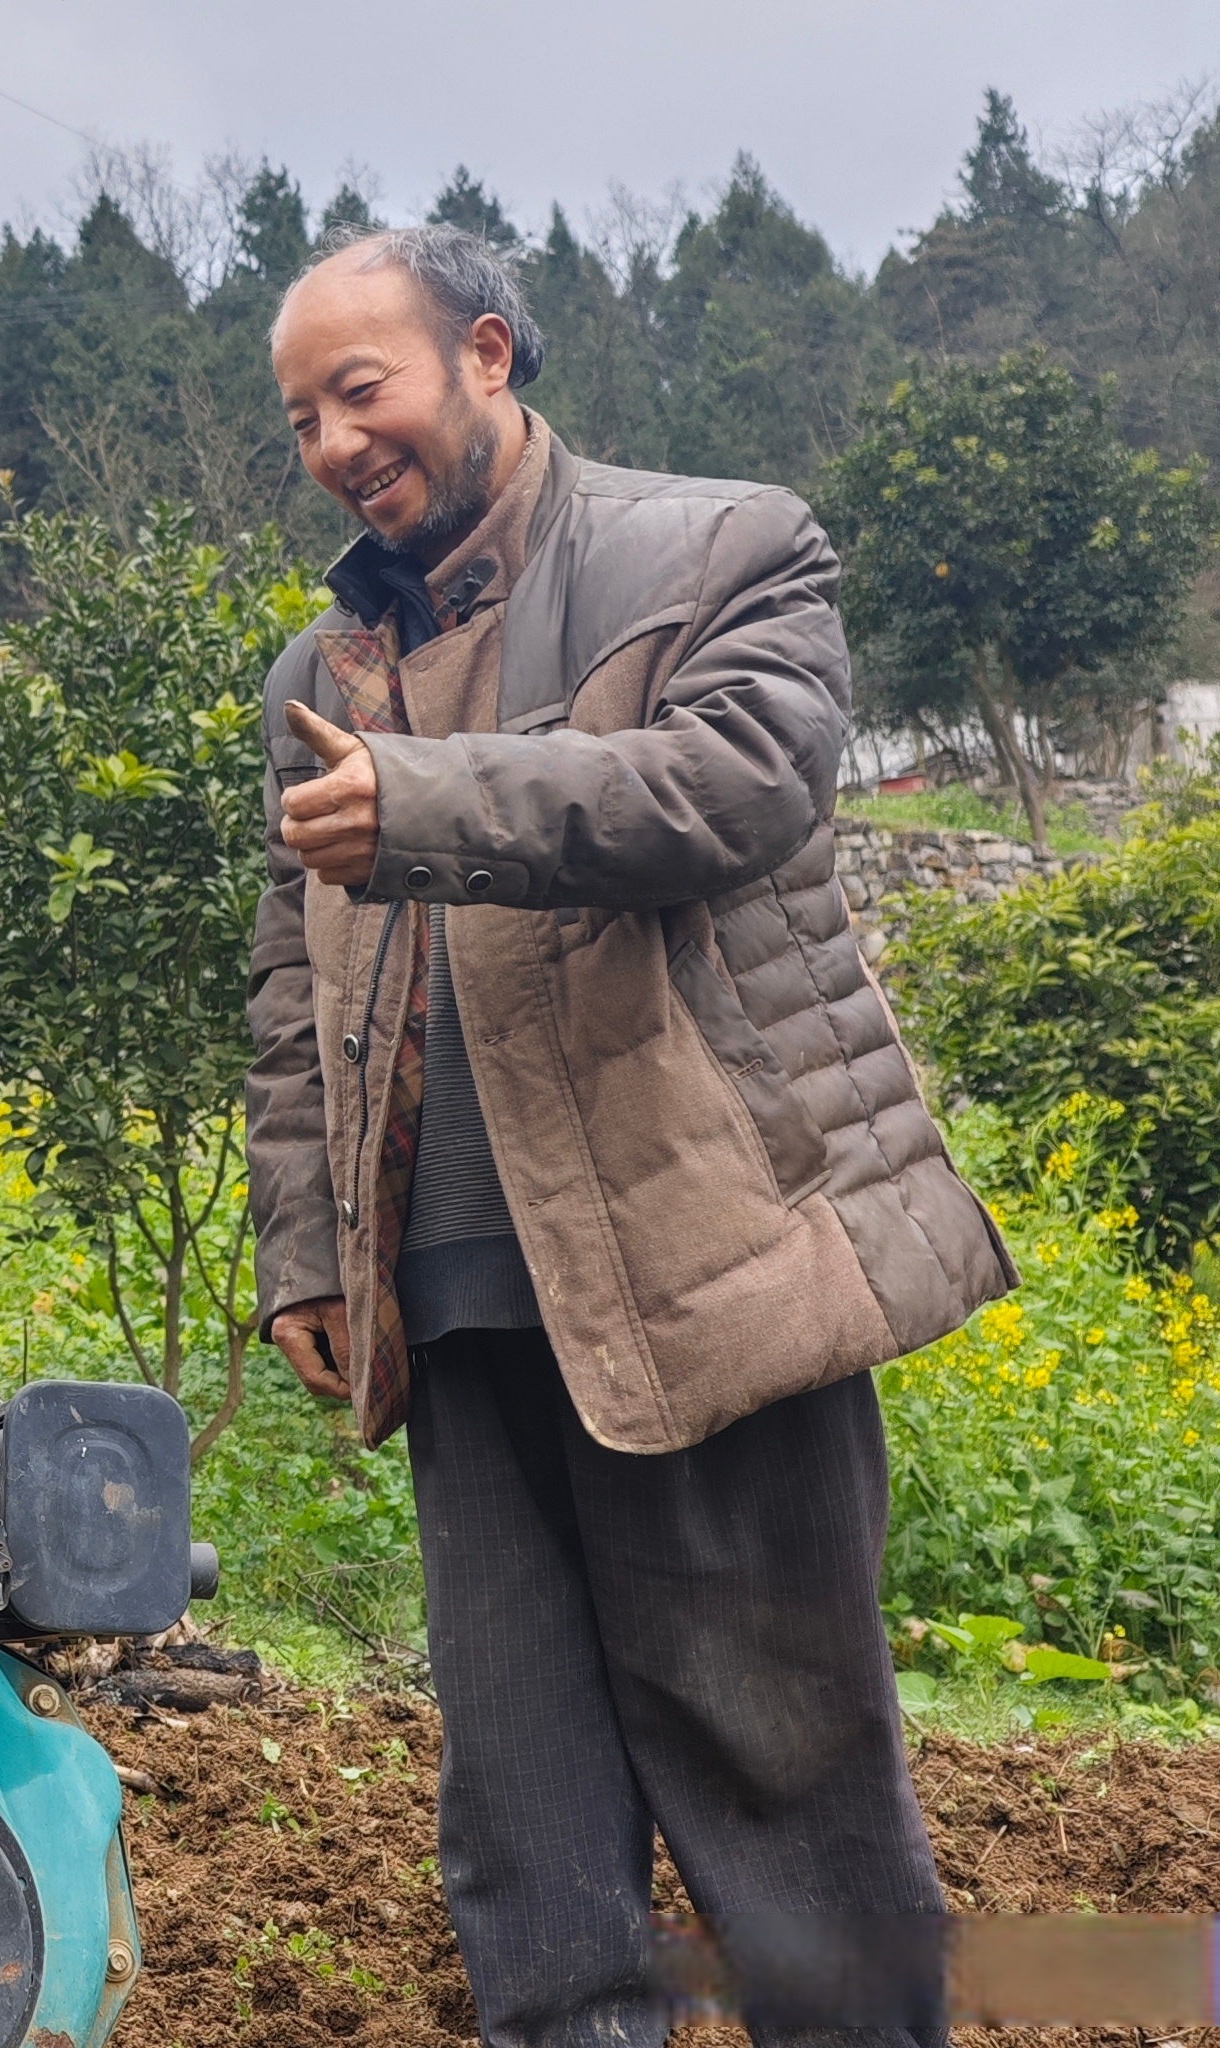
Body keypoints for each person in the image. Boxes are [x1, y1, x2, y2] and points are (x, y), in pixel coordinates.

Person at [246, 224, 1012, 2048]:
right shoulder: (326, 665)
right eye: (302, 420)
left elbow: (733, 787)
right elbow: (292, 973)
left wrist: (429, 802)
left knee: (784, 1771)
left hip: (706, 1266)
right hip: (454, 1294)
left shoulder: (723, 546)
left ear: (486, 354)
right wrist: (309, 1246)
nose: (337, 444)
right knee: (523, 1814)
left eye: (361, 391)